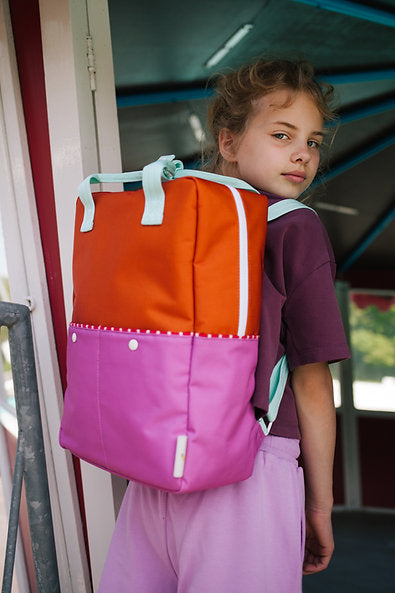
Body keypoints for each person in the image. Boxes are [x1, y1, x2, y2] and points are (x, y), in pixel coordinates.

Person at [98, 58, 350, 593]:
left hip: (158, 468)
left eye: (313, 141)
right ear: (228, 142)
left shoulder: (175, 218)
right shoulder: (295, 229)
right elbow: (311, 380)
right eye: (282, 135)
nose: (302, 153)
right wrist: (321, 506)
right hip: (248, 473)